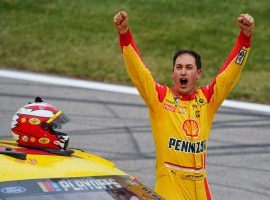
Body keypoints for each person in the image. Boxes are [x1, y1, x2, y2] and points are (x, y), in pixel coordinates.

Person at [114, 11, 254, 200]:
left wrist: (245, 39)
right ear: (173, 73)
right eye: (179, 67)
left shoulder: (206, 101)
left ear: (198, 74)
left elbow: (229, 74)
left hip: (201, 190)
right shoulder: (161, 99)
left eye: (189, 68)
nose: (183, 72)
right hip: (170, 189)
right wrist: (125, 35)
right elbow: (139, 72)